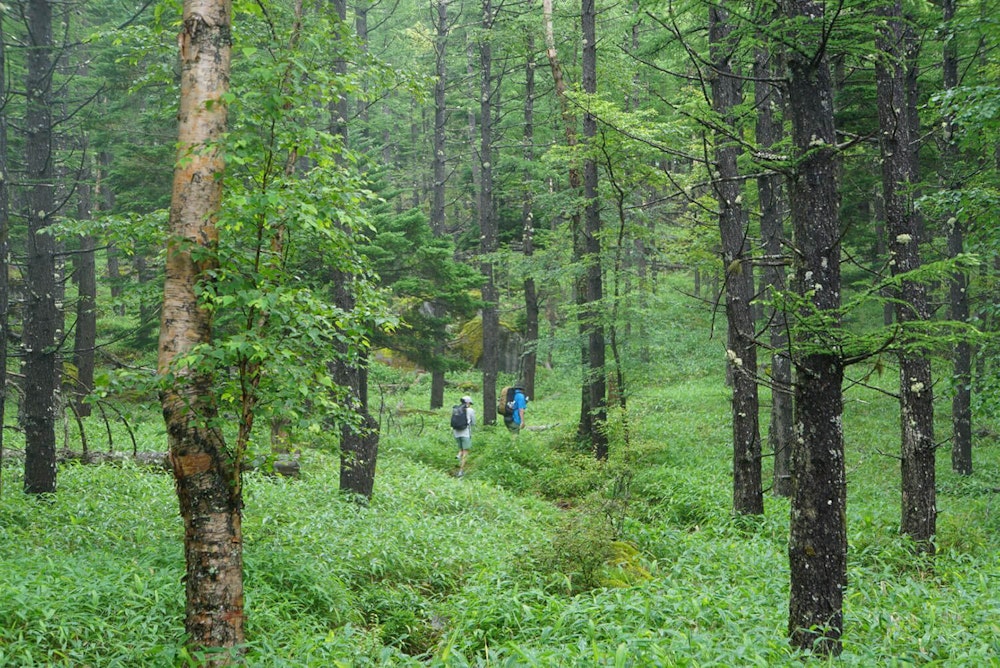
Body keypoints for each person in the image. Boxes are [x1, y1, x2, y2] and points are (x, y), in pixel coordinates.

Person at [452, 395, 475, 476]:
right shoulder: (470, 410)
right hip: (465, 432)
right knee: (465, 451)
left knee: (461, 448)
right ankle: (461, 471)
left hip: (456, 433)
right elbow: (473, 422)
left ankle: (458, 455)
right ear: (468, 403)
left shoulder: (456, 409)